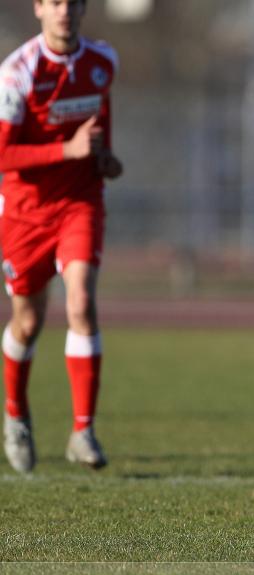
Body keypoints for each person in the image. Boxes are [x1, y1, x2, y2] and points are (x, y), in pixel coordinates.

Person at [0, 0, 122, 473]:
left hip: (79, 203)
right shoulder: (17, 72)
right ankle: (15, 414)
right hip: (24, 214)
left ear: (84, 7)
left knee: (80, 304)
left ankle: (83, 430)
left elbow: (101, 113)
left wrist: (104, 157)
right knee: (27, 323)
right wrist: (65, 148)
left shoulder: (103, 61)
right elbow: (4, 154)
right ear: (38, 9)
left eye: (72, 2)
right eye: (53, 2)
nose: (64, 11)